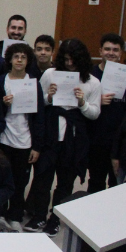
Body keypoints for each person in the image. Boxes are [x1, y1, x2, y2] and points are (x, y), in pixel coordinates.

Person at [26, 38, 101, 236]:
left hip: (74, 138)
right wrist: (49, 97)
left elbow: (94, 113)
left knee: (65, 180)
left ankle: (56, 219)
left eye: (73, 61)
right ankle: (39, 215)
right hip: (50, 135)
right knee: (42, 177)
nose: (69, 64)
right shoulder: (50, 74)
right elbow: (38, 102)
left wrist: (82, 102)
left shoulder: (92, 82)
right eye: (66, 60)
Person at [0, 43, 46, 232]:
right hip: (4, 139)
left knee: (19, 181)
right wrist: (3, 103)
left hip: (25, 141)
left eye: (23, 57)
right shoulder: (1, 81)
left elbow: (39, 117)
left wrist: (37, 146)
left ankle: (15, 216)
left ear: (28, 60)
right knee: (0, 179)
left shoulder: (33, 83)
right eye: (16, 57)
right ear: (10, 60)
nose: (19, 60)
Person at [87, 33, 126, 192]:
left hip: (120, 138)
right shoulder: (90, 73)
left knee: (116, 181)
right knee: (96, 179)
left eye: (115, 50)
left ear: (121, 53)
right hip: (96, 136)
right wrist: (97, 100)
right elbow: (79, 102)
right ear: (100, 51)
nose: (111, 53)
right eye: (107, 49)